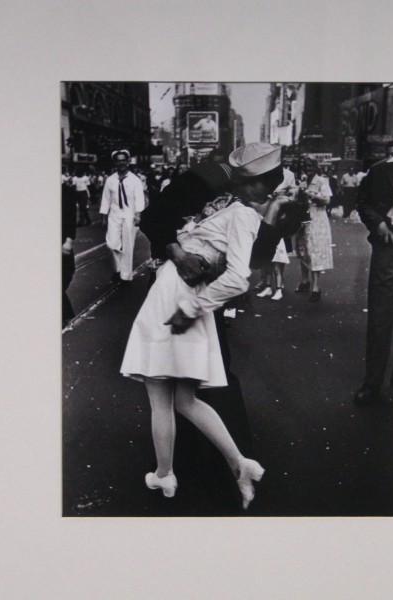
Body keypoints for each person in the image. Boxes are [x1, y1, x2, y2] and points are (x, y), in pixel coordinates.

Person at [121, 143, 293, 510]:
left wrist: (202, 287)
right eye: (263, 185)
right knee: (189, 392)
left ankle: (185, 471)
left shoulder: (244, 209)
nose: (265, 193)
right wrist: (179, 253)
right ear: (244, 181)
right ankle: (218, 466)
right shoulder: (205, 182)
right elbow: (155, 218)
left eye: (271, 187)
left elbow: (248, 263)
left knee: (176, 393)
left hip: (188, 296)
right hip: (188, 292)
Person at [354, 141, 393, 404]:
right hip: (391, 243)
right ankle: (372, 384)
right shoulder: (382, 170)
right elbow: (363, 203)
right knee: (382, 315)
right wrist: (379, 223)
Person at [100, 149, 145, 282]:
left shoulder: (135, 180)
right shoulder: (110, 180)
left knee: (128, 246)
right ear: (115, 162)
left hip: (129, 216)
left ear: (128, 161)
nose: (121, 163)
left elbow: (139, 198)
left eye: (123, 160)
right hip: (114, 215)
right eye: (118, 160)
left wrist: (138, 215)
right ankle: (118, 269)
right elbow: (106, 199)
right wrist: (103, 217)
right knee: (111, 244)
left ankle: (125, 275)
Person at [255, 165, 299, 301]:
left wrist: (283, 197)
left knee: (278, 254)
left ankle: (278, 284)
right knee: (264, 249)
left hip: (280, 214)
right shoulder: (263, 172)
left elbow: (294, 194)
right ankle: (266, 282)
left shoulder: (288, 174)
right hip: (265, 211)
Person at [295, 161, 334, 302]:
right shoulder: (303, 181)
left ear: (316, 168)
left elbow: (327, 200)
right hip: (303, 218)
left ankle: (316, 287)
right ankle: (305, 281)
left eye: (311, 167)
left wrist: (311, 195)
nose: (308, 170)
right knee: (302, 249)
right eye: (306, 167)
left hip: (317, 218)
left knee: (315, 250)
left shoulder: (322, 181)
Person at [62, 168, 77, 326]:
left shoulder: (65, 191)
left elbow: (70, 216)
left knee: (67, 271)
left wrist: (68, 239)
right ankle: (65, 314)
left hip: (62, 239)